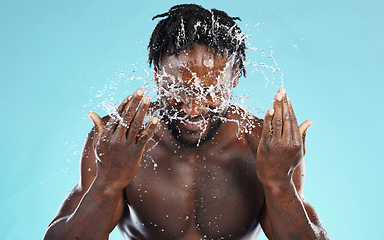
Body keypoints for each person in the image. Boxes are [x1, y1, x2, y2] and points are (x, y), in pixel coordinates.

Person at [44, 4, 330, 240]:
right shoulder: (118, 138)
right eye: (178, 89)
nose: (193, 109)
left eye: (211, 92)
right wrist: (107, 181)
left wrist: (280, 184)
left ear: (235, 80)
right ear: (157, 74)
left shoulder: (264, 145)